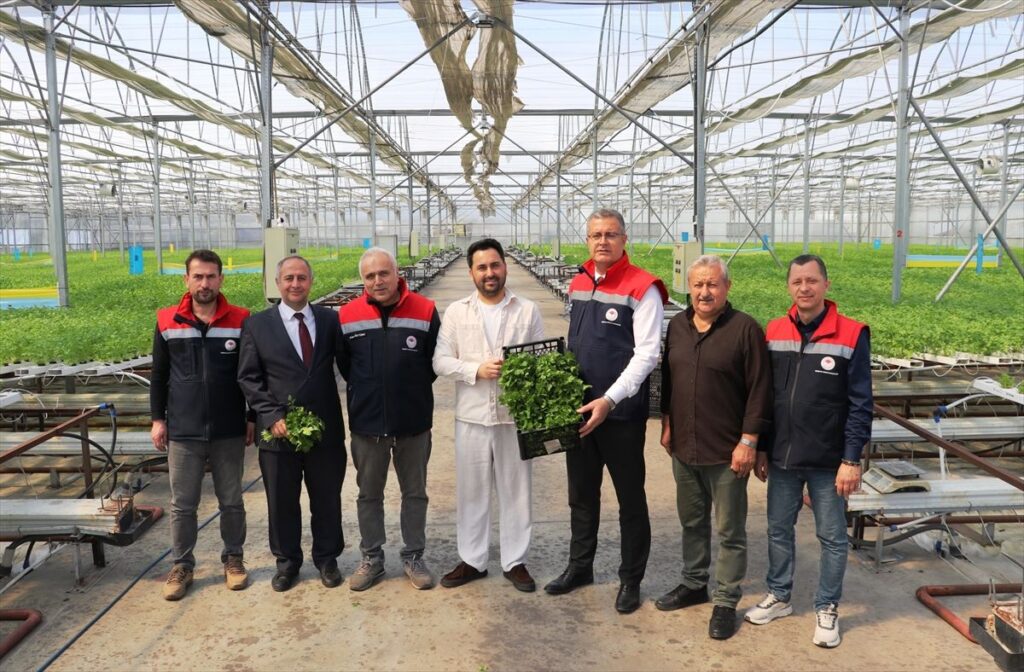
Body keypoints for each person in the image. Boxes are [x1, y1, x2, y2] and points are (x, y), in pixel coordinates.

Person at [745, 254, 872, 649]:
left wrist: (851, 459)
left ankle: (827, 606)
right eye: (797, 281)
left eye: (812, 280)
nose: (804, 287)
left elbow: (861, 403)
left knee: (832, 537)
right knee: (778, 529)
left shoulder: (851, 334)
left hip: (829, 461)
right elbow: (765, 395)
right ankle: (779, 595)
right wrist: (762, 447)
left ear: (826, 285)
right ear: (788, 286)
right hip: (782, 456)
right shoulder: (774, 330)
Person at [545, 208, 667, 615]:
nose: (602, 241)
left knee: (630, 499)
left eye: (611, 234)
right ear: (587, 240)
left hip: (620, 416)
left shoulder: (643, 288)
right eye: (596, 234)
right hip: (580, 410)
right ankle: (580, 567)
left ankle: (631, 579)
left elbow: (647, 355)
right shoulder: (579, 281)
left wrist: (609, 399)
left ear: (624, 240)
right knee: (581, 495)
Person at [658, 254, 772, 640]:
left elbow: (759, 391)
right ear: (688, 287)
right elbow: (668, 379)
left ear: (727, 287)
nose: (704, 292)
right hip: (684, 446)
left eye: (712, 284)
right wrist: (667, 423)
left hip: (727, 451)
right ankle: (694, 583)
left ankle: (725, 599)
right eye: (698, 284)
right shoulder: (677, 326)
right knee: (692, 521)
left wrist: (749, 442)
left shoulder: (745, 329)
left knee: (729, 529)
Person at [432, 238, 544, 593]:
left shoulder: (527, 310)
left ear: (505, 267)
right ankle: (473, 560)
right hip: (472, 418)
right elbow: (440, 361)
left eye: (495, 265)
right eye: (482, 267)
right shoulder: (457, 312)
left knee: (516, 491)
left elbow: (542, 361)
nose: (489, 272)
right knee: (472, 492)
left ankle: (515, 561)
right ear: (471, 273)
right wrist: (475, 369)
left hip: (514, 418)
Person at [237, 255, 346, 592]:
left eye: (301, 278)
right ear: (278, 283)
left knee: (327, 498)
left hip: (324, 430)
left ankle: (327, 559)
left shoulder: (330, 320)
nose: (295, 284)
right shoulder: (257, 325)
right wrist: (271, 415)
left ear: (311, 281)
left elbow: (349, 366)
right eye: (289, 278)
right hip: (277, 433)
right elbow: (249, 377)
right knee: (282, 501)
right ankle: (287, 563)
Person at [150, 249, 254, 601]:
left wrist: (252, 417)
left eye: (211, 276)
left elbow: (251, 374)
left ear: (221, 279)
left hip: (228, 428)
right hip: (183, 429)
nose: (204, 283)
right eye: (198, 276)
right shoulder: (167, 320)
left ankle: (234, 559)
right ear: (187, 279)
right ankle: (182, 565)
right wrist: (158, 420)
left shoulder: (241, 319)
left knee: (232, 500)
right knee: (183, 504)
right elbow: (159, 376)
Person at [338, 248, 440, 592]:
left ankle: (414, 556)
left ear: (398, 274)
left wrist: (408, 390)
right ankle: (372, 558)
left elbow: (433, 363)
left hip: (413, 422)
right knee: (369, 494)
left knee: (415, 493)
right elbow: (345, 365)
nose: (378, 281)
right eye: (370, 276)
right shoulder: (347, 315)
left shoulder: (425, 309)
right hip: (367, 424)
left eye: (384, 273)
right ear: (363, 280)